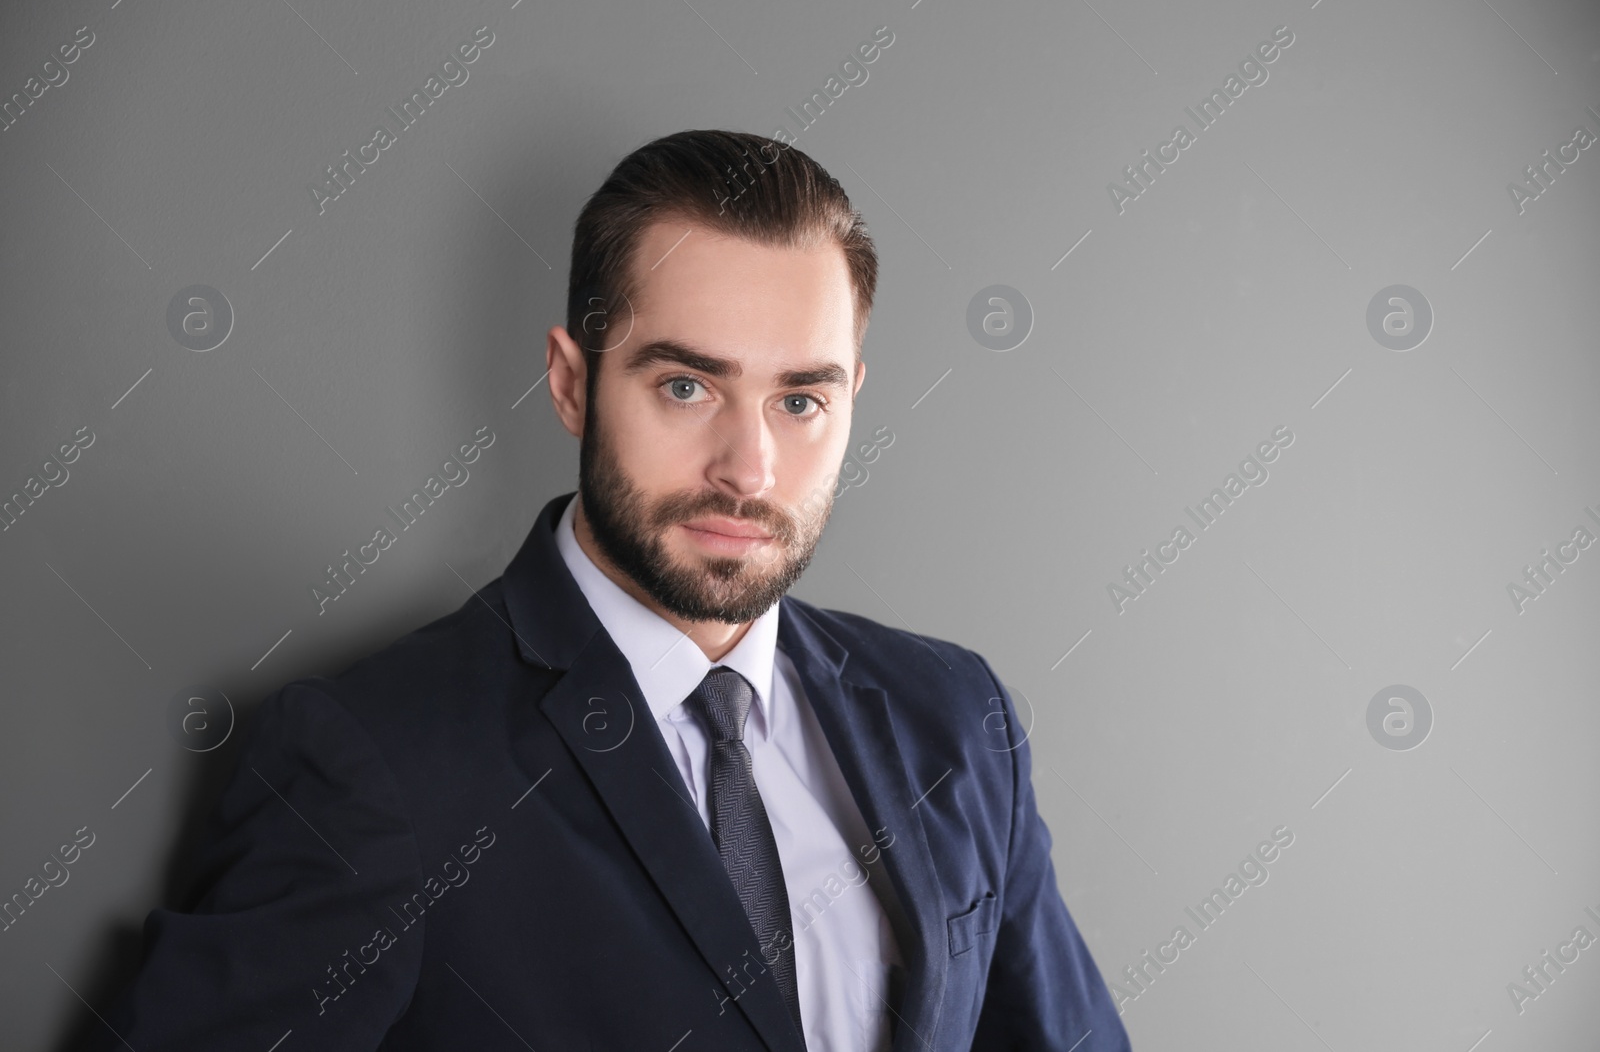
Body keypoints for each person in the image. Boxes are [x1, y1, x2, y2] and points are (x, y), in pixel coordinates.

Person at [85, 129, 1130, 1051]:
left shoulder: (954, 719)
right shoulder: (376, 763)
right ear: (572, 381)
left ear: (852, 397)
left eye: (800, 399)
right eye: (686, 385)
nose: (749, 467)